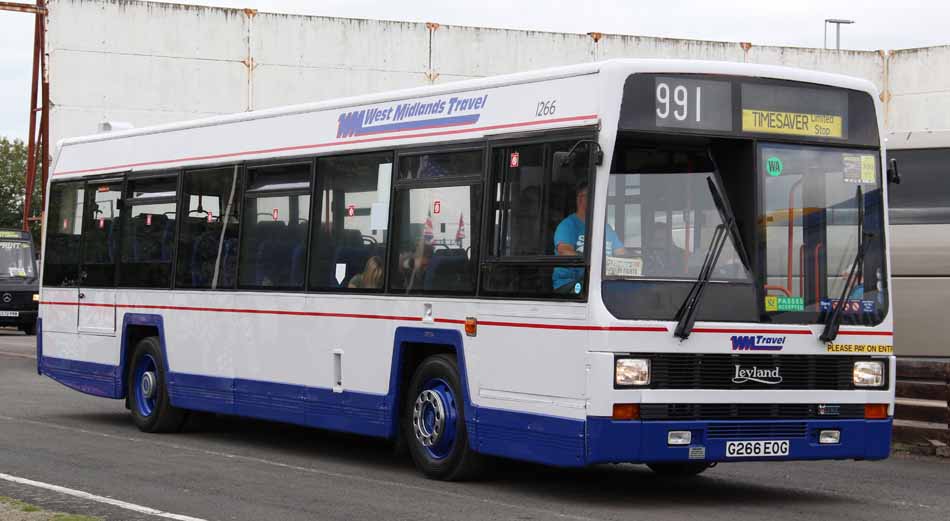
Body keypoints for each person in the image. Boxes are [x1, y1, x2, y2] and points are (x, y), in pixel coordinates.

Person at [552, 181, 624, 291]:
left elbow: (620, 251)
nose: (598, 200)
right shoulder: (568, 225)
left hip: (601, 281)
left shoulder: (606, 228)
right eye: (594, 196)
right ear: (580, 199)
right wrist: (594, 261)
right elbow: (564, 251)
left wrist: (637, 259)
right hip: (570, 283)